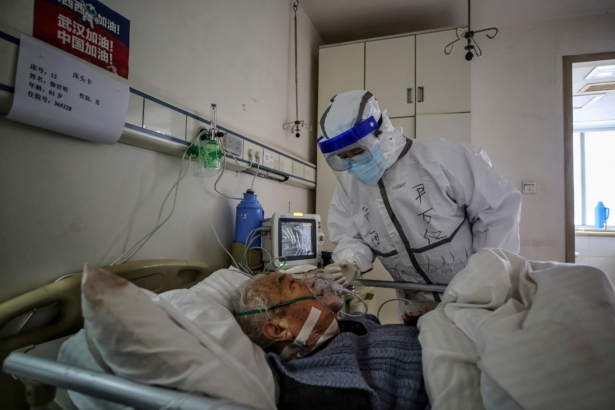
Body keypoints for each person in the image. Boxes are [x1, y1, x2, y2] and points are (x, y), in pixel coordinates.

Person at [318, 90, 521, 304]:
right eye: (343, 157)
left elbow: (497, 212)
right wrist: (352, 260)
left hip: (473, 296)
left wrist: (486, 278)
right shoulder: (349, 188)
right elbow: (352, 236)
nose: (353, 164)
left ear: (381, 132)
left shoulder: (444, 158)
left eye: (357, 152)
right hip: (415, 303)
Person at [233, 272, 430, 410]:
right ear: (279, 329)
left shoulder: (350, 324)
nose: (311, 279)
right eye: (293, 284)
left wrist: (423, 327)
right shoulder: (322, 388)